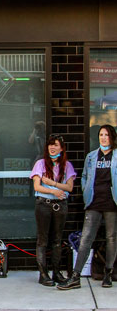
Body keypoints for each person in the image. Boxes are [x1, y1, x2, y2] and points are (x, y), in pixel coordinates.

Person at [59, 124, 117, 290]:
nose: (103, 138)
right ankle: (76, 276)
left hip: (112, 203)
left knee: (111, 238)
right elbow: (84, 176)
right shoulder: (92, 157)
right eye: (101, 135)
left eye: (106, 135)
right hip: (93, 202)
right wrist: (86, 192)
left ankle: (108, 273)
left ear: (112, 137)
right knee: (86, 238)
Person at [30, 134, 76, 286]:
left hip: (60, 205)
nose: (52, 147)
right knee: (42, 240)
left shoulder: (67, 165)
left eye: (56, 144)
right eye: (50, 144)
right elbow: (37, 186)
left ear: (61, 148)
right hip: (43, 204)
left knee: (57, 240)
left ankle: (56, 273)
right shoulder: (40, 164)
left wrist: (52, 184)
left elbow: (69, 187)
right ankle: (43, 275)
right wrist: (53, 191)